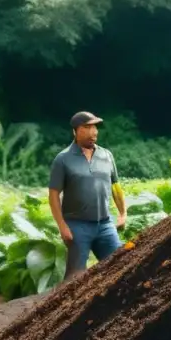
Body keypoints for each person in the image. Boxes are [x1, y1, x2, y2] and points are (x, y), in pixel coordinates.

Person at [49, 111, 127, 279]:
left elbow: (116, 187)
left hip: (105, 225)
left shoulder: (106, 155)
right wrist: (62, 226)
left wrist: (123, 213)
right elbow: (53, 195)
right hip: (77, 226)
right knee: (75, 277)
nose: (94, 132)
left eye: (95, 127)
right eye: (87, 127)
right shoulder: (63, 159)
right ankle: (67, 305)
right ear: (75, 131)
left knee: (119, 266)